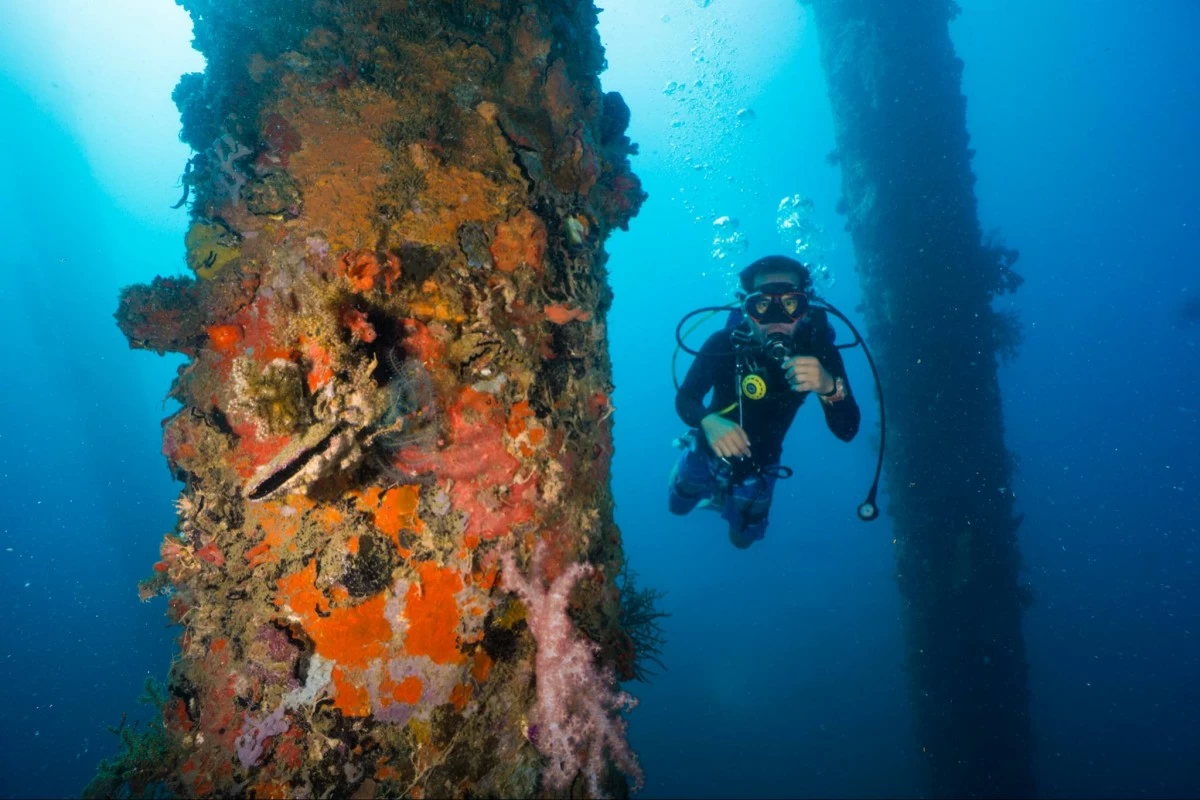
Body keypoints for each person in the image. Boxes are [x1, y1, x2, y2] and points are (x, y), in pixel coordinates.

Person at [668, 255, 861, 548]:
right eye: (762, 305)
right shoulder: (724, 344)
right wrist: (708, 421)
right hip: (707, 448)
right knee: (678, 507)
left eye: (790, 304)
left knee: (740, 541)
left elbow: (847, 430)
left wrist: (828, 387)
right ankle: (692, 453)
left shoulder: (819, 353)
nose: (777, 319)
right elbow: (686, 398)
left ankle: (723, 500)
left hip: (761, 465)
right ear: (746, 309)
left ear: (805, 308)